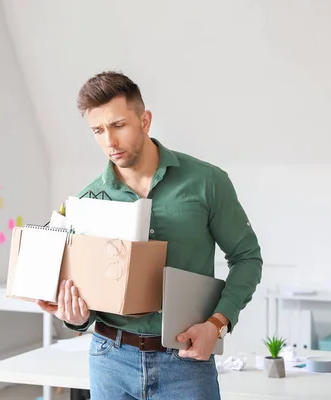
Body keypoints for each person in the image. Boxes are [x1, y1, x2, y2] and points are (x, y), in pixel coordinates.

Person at [36, 71, 263, 400]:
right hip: (109, 360)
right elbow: (90, 296)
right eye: (97, 130)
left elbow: (247, 258)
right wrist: (77, 317)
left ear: (145, 120)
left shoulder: (207, 182)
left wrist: (216, 324)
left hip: (185, 360)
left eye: (118, 125)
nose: (109, 142)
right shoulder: (87, 202)